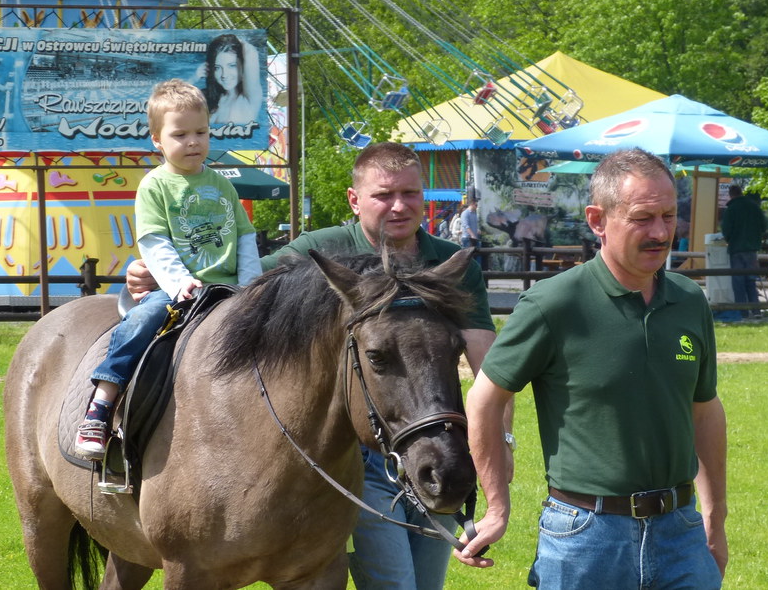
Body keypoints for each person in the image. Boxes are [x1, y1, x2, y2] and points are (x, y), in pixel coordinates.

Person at [128, 142, 507, 590]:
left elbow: (489, 373)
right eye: (384, 195)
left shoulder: (451, 264)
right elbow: (240, 285)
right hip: (356, 455)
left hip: (431, 440)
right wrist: (157, 270)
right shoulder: (320, 252)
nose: (399, 206)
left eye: (410, 193)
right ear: (354, 200)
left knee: (426, 585)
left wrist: (495, 450)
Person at [456, 148, 728, 589]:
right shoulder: (553, 304)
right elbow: (485, 400)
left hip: (681, 533)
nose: (661, 232)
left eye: (668, 215)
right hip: (587, 537)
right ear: (597, 220)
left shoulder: (689, 300)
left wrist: (714, 520)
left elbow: (705, 411)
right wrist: (496, 509)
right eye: (642, 218)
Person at [73, 79, 261, 460]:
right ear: (157, 139)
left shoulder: (223, 186)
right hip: (180, 291)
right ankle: (102, 404)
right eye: (180, 134)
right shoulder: (155, 186)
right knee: (143, 321)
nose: (193, 142)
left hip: (227, 290)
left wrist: (252, 287)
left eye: (201, 132)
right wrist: (179, 283)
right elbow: (154, 241)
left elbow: (244, 238)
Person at [721, 184, 765, 318]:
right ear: (741, 192)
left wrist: (730, 238)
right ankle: (756, 310)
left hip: (736, 249)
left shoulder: (731, 209)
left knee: (738, 281)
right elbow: (764, 226)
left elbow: (726, 230)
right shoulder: (754, 207)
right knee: (751, 280)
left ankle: (742, 312)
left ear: (730, 194)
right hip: (752, 249)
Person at [200, 34, 262, 125]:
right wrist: (194, 77)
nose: (224, 75)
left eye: (232, 66)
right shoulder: (211, 100)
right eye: (217, 68)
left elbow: (251, 53)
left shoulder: (249, 99)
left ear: (244, 67)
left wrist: (236, 40)